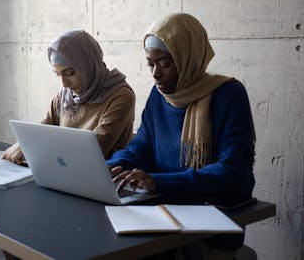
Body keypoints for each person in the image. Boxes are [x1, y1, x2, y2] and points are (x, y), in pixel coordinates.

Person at [107, 13, 256, 260]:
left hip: (209, 227)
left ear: (188, 59)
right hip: (161, 216)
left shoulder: (229, 95)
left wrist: (159, 182)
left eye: (165, 63)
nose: (155, 74)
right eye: (150, 64)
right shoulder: (160, 96)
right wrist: (109, 167)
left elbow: (234, 173)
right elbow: (141, 147)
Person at [3, 29, 136, 164]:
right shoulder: (65, 96)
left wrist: (31, 147)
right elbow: (44, 129)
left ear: (88, 65)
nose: (64, 83)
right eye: (58, 74)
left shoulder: (120, 96)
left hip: (104, 177)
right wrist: (25, 143)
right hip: (63, 170)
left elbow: (92, 149)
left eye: (69, 73)